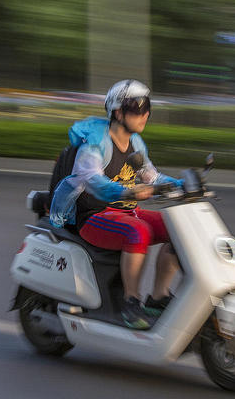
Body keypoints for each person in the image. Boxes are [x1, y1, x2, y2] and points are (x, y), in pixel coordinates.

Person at [50, 80, 182, 329]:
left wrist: (183, 185)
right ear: (118, 112)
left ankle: (158, 297)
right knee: (137, 231)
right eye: (136, 107)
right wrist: (127, 190)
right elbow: (91, 180)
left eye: (147, 107)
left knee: (178, 228)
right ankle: (130, 303)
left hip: (125, 211)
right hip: (93, 216)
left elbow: (151, 176)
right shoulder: (96, 144)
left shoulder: (136, 143)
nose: (145, 114)